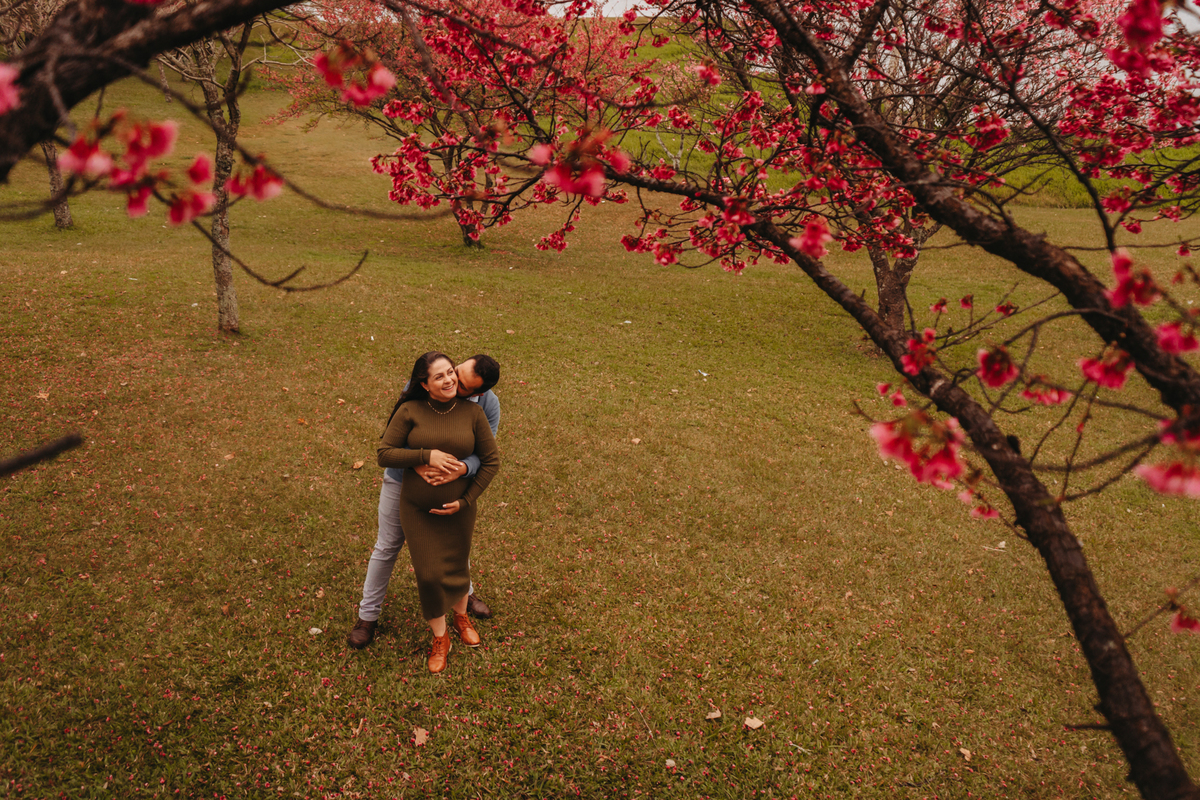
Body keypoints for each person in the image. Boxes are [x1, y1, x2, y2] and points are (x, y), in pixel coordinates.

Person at [356, 352, 501, 673]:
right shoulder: (418, 395)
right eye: (451, 373)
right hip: (404, 487)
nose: (452, 381)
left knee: (456, 555)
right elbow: (388, 448)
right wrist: (424, 459)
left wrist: (462, 468)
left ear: (476, 392)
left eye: (460, 382)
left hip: (457, 498)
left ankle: (462, 609)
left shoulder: (483, 408)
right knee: (390, 547)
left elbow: (485, 456)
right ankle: (368, 617)